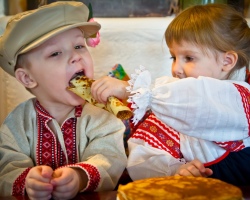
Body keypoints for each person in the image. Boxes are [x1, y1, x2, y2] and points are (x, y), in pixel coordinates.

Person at [91, 3, 250, 186]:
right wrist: (176, 170)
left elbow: (199, 101)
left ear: (227, 61)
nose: (176, 69)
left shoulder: (239, 98)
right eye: (173, 57)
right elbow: (143, 155)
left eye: (189, 58)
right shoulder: (169, 106)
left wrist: (131, 90)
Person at [0, 1, 127, 199]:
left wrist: (79, 177)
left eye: (78, 45)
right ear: (28, 78)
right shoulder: (18, 122)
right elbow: (6, 165)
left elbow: (110, 157)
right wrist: (28, 181)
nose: (76, 56)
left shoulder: (102, 115)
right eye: (55, 53)